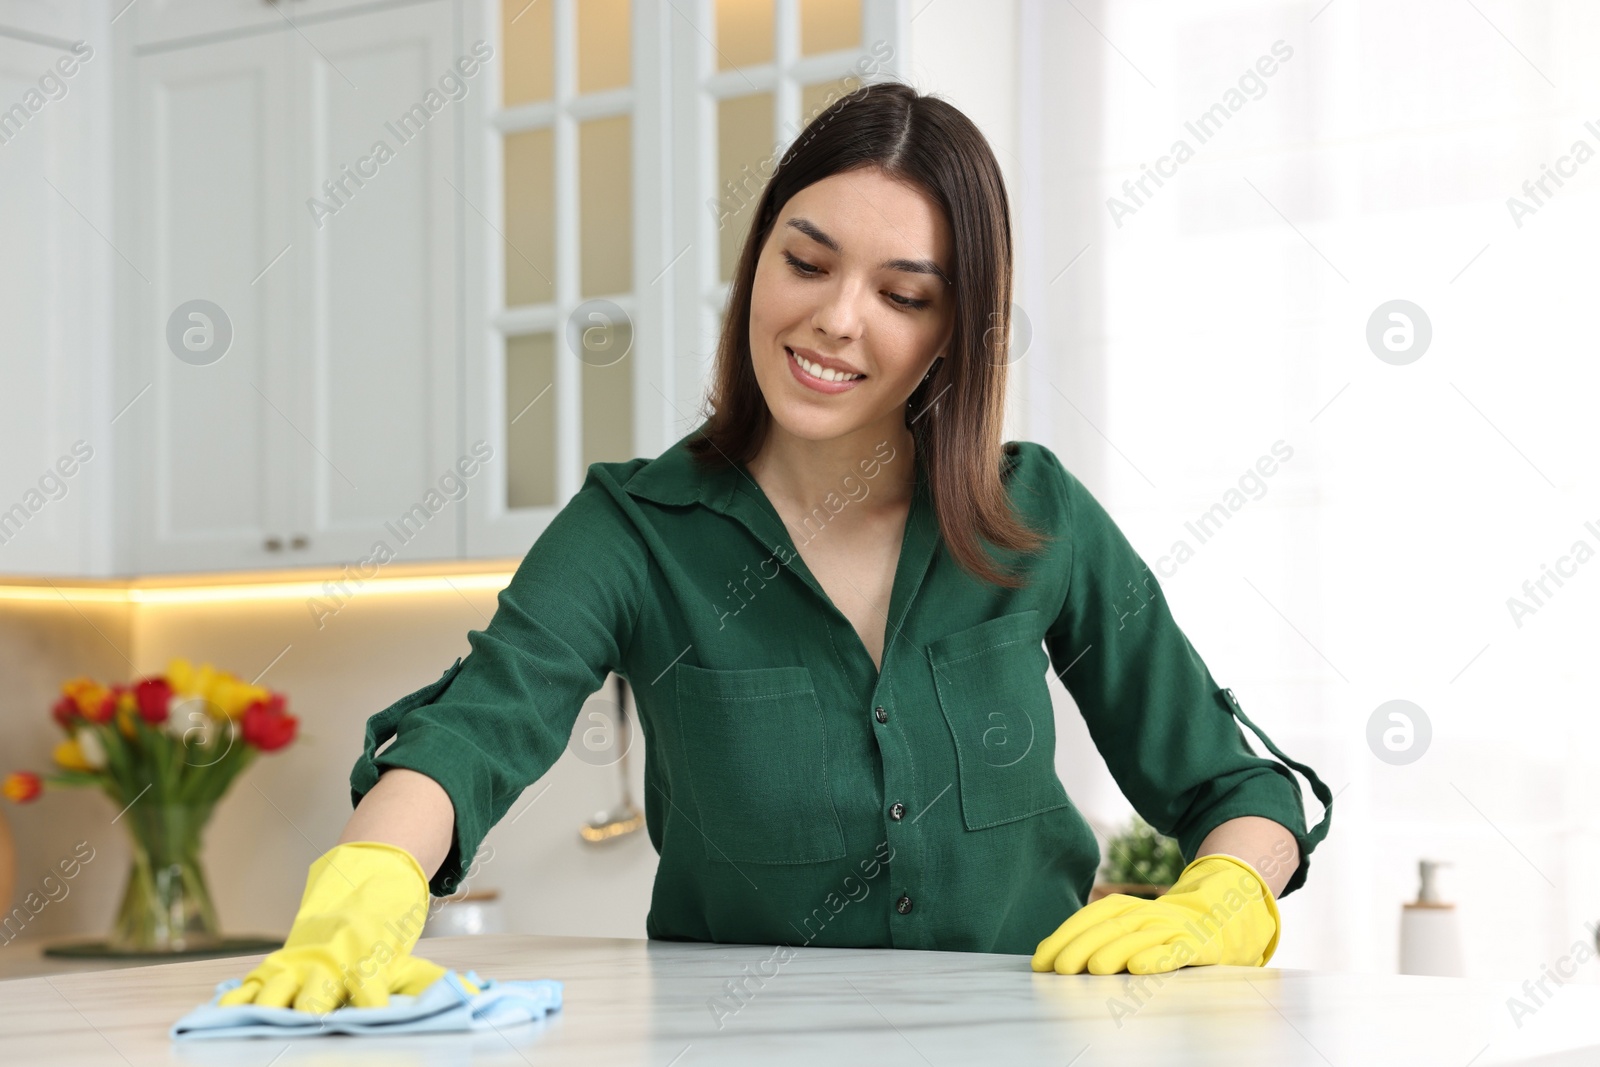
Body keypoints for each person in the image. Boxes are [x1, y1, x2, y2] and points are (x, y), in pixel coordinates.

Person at [221, 80, 1331, 1013]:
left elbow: (1234, 786)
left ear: (954, 333)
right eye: (806, 263)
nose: (837, 318)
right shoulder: (633, 532)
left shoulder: (1035, 517)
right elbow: (476, 726)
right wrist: (369, 874)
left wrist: (1226, 893)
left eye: (902, 294)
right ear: (758, 265)